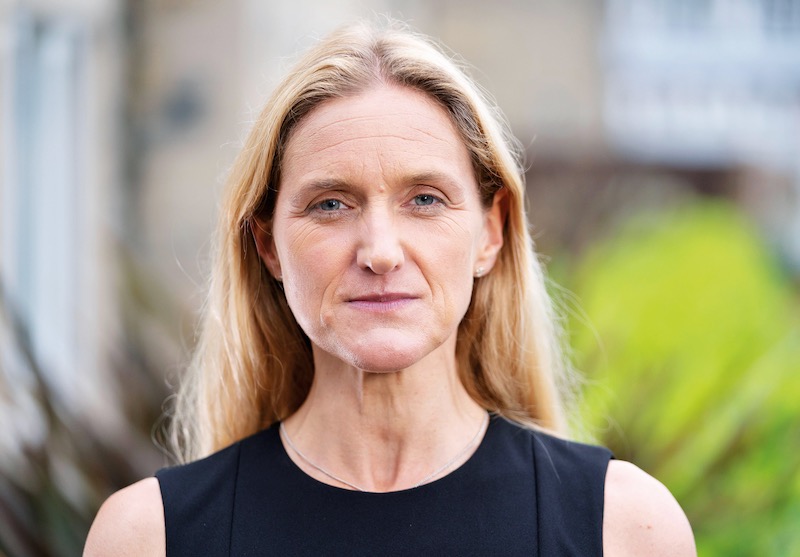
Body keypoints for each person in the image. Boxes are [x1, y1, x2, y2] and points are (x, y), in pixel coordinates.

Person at [85, 19, 695, 556]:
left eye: (424, 199)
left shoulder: (625, 529)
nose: (379, 251)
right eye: (330, 204)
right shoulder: (148, 538)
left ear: (491, 232)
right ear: (268, 245)